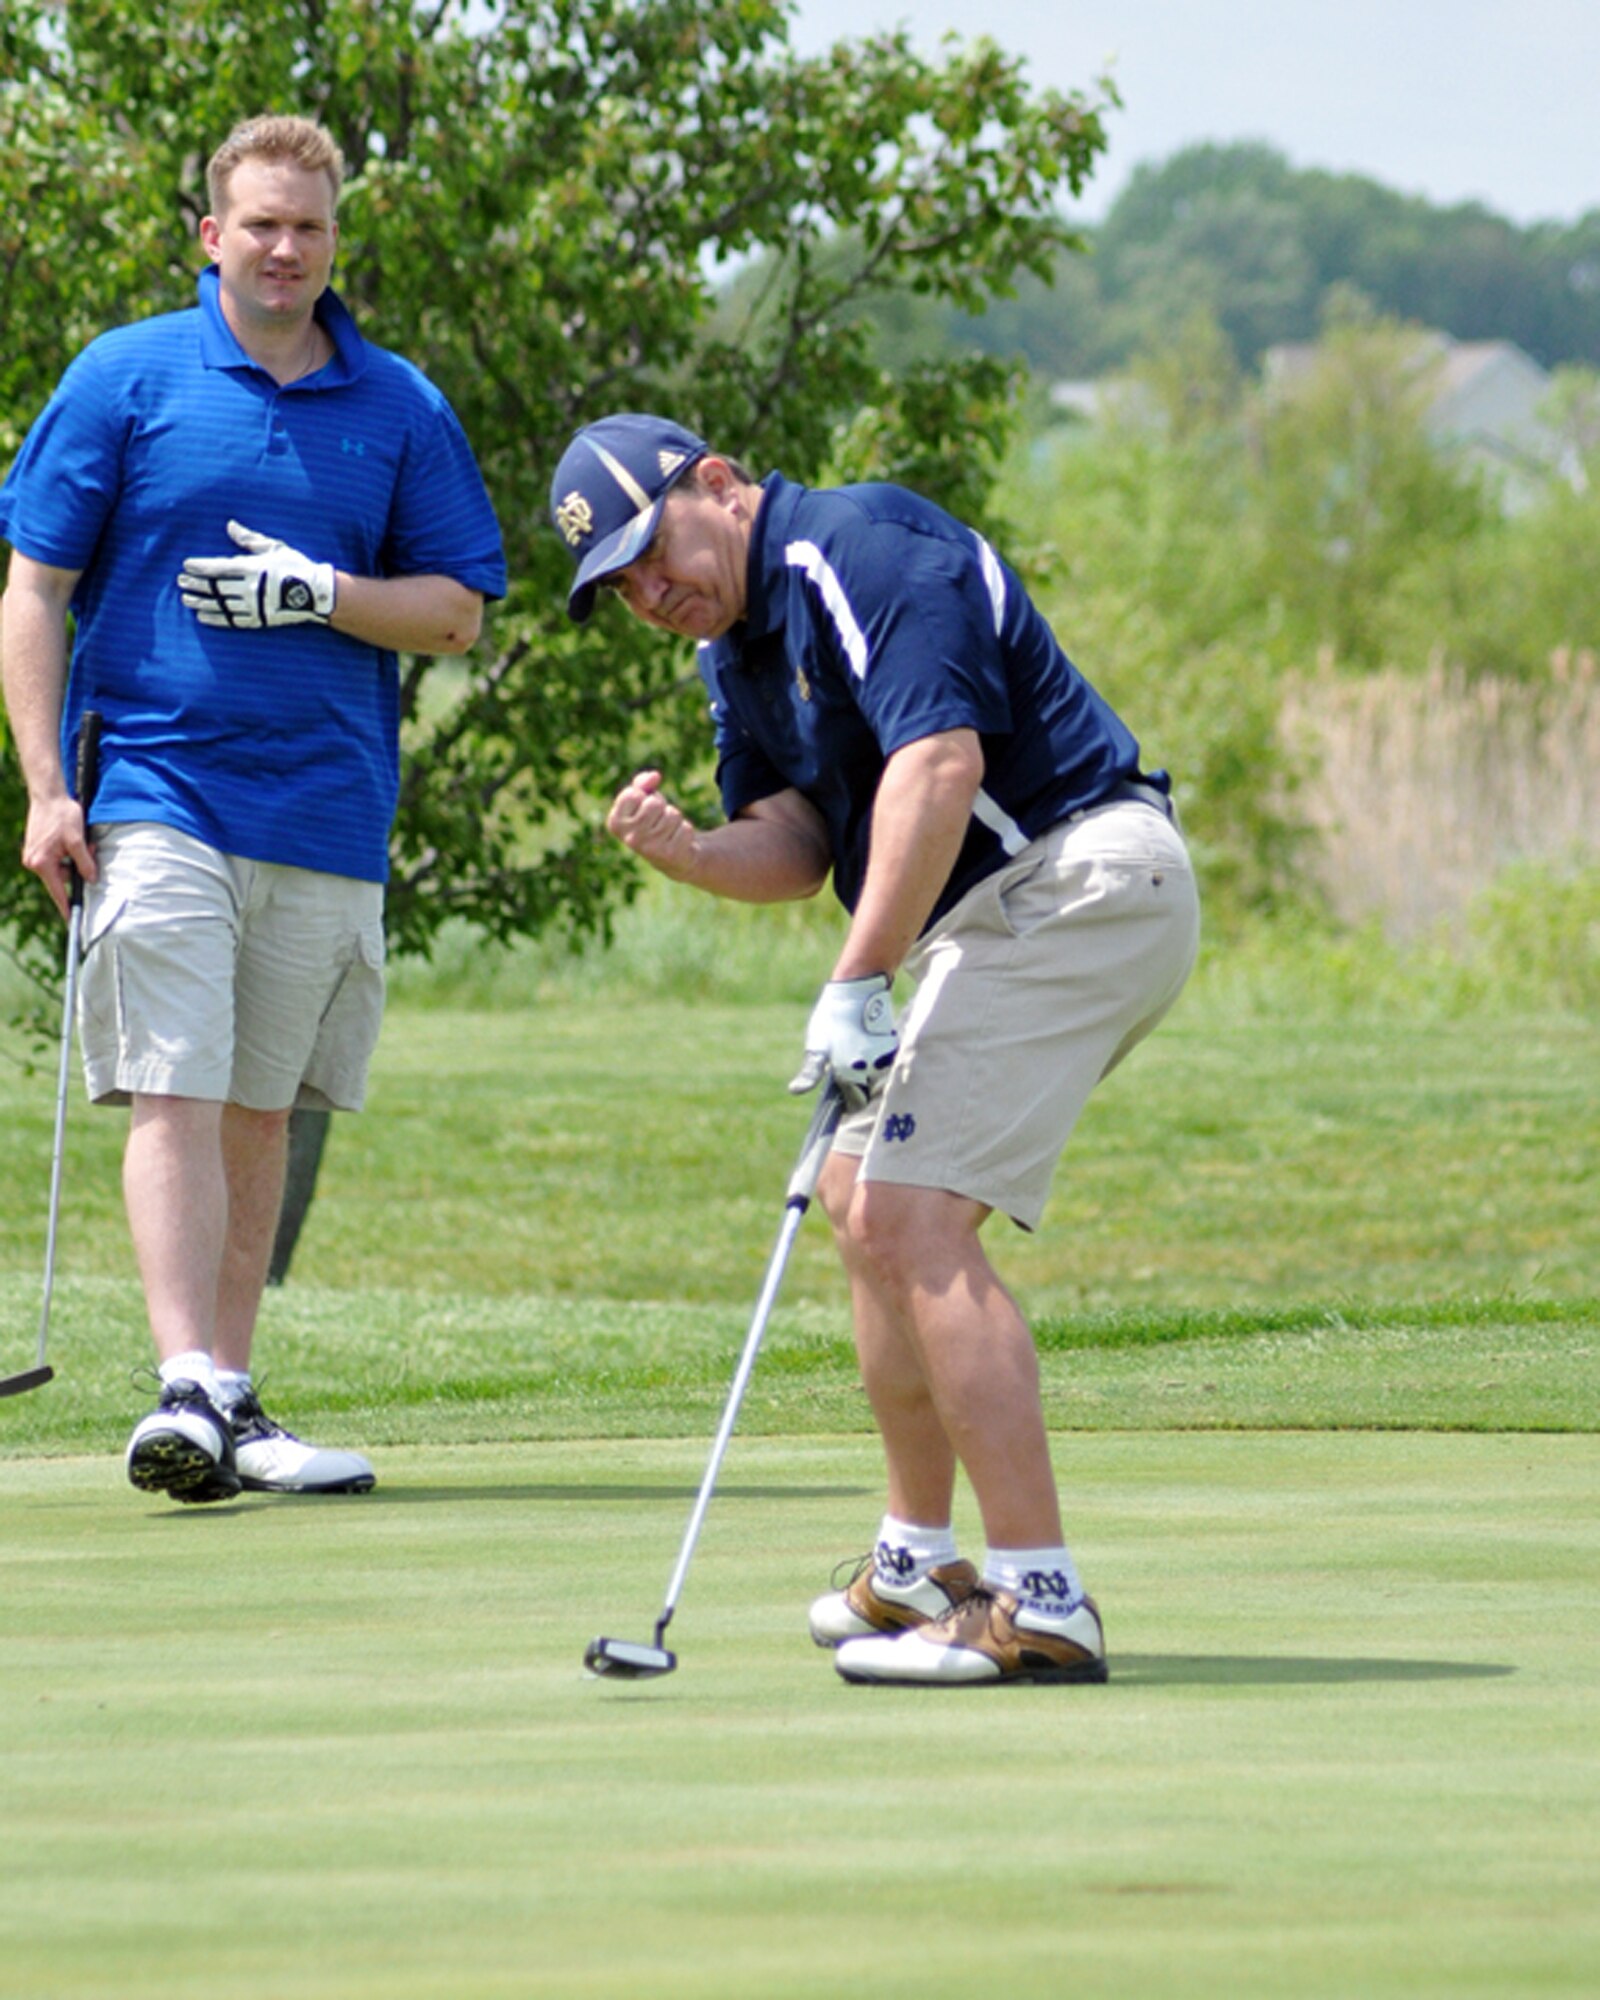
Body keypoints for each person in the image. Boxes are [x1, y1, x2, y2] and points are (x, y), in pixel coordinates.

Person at [550, 413, 1200, 1686]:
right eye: (619, 584)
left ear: (719, 484)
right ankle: (915, 1562)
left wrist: (858, 976)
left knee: (910, 1215)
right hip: (977, 918)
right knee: (857, 1202)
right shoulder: (734, 654)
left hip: (1076, 877)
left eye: (651, 550)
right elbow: (793, 839)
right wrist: (688, 852)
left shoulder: (858, 546)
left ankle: (1040, 1597)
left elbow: (940, 761)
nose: (648, 591)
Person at [0, 115, 506, 1504]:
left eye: (311, 227)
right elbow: (31, 589)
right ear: (210, 236)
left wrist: (318, 593)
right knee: (173, 1079)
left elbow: (456, 610)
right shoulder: (127, 377)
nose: (286, 249)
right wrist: (49, 788)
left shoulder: (399, 405)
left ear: (336, 240)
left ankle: (226, 1398)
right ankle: (184, 1383)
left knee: (262, 1113)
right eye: (262, 225)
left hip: (329, 809)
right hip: (157, 787)